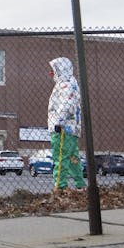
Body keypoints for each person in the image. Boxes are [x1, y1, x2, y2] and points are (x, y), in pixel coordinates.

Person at [48, 56, 85, 190]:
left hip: (63, 129)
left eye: (53, 70)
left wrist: (59, 122)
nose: (51, 74)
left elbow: (66, 104)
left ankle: (60, 187)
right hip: (72, 129)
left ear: (60, 70)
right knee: (73, 158)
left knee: (60, 157)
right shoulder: (71, 83)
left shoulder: (65, 84)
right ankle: (80, 185)